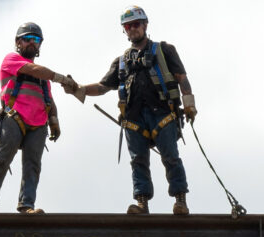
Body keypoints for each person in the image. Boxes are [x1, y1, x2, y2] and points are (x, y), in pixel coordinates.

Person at [77, 5, 197, 215]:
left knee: (170, 157)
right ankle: (142, 203)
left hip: (163, 113)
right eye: (128, 26)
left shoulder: (164, 50)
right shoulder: (122, 62)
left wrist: (189, 104)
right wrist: (78, 90)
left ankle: (180, 201)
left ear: (145, 25)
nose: (132, 29)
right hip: (134, 119)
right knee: (138, 161)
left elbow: (181, 79)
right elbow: (103, 87)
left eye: (135, 25)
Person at [0, 22, 79, 215]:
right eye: (28, 39)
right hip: (14, 117)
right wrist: (59, 78)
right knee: (2, 158)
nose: (32, 43)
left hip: (38, 124)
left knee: (32, 166)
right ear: (18, 42)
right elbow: (35, 70)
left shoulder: (42, 78)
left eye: (36, 40)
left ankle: (26, 206)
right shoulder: (12, 60)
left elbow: (49, 99)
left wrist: (54, 121)